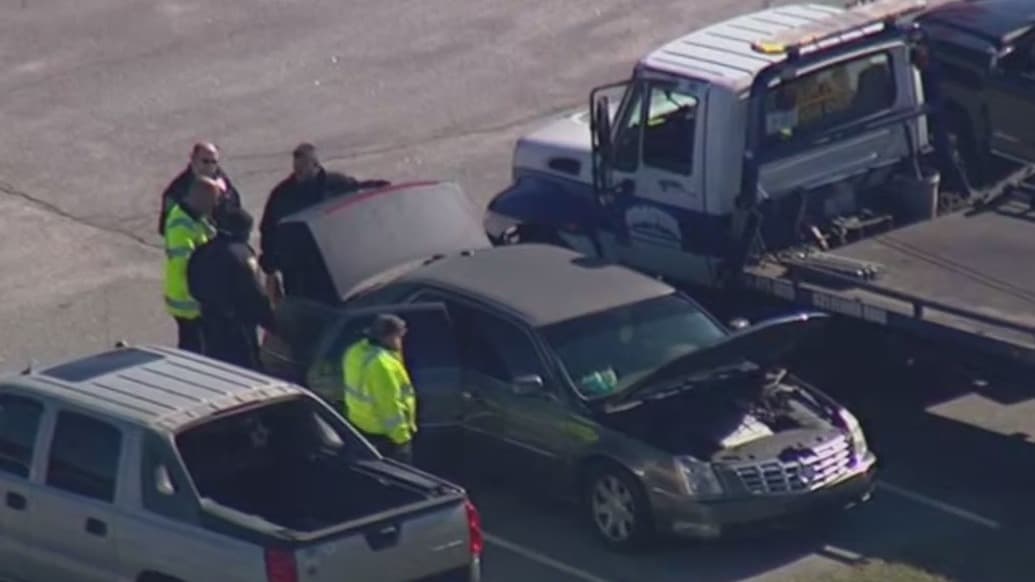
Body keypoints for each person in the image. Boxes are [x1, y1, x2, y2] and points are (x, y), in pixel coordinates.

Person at [258, 142, 390, 298]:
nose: (298, 174)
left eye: (302, 169)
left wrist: (382, 189)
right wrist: (270, 264)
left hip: (332, 268)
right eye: (296, 169)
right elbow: (268, 230)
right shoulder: (282, 195)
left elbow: (357, 192)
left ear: (315, 165)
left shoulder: (334, 184)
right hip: (298, 274)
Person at [187, 207, 275, 370]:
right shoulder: (242, 255)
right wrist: (271, 322)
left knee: (217, 369)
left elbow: (192, 284)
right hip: (238, 328)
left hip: (209, 323)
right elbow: (254, 294)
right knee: (246, 371)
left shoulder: (203, 251)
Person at [342, 313, 417, 464]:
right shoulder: (382, 365)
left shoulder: (355, 352)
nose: (401, 341)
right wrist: (402, 439)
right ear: (388, 337)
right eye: (399, 336)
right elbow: (389, 406)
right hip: (383, 434)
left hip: (359, 424)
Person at [164, 176, 220, 352]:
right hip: (187, 301)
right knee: (193, 350)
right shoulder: (181, 225)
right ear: (200, 198)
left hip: (190, 299)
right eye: (212, 201)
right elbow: (187, 266)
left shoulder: (194, 216)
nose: (214, 205)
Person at [913, 43, 974, 197]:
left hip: (941, 119)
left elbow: (938, 99)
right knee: (944, 154)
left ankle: (964, 190)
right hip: (936, 118)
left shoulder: (931, 74)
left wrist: (926, 108)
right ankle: (957, 187)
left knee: (947, 153)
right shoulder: (930, 71)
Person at [158, 142, 243, 236]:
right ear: (193, 159)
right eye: (205, 161)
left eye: (214, 162)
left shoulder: (223, 181)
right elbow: (165, 227)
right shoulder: (178, 189)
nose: (210, 166)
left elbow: (236, 208)